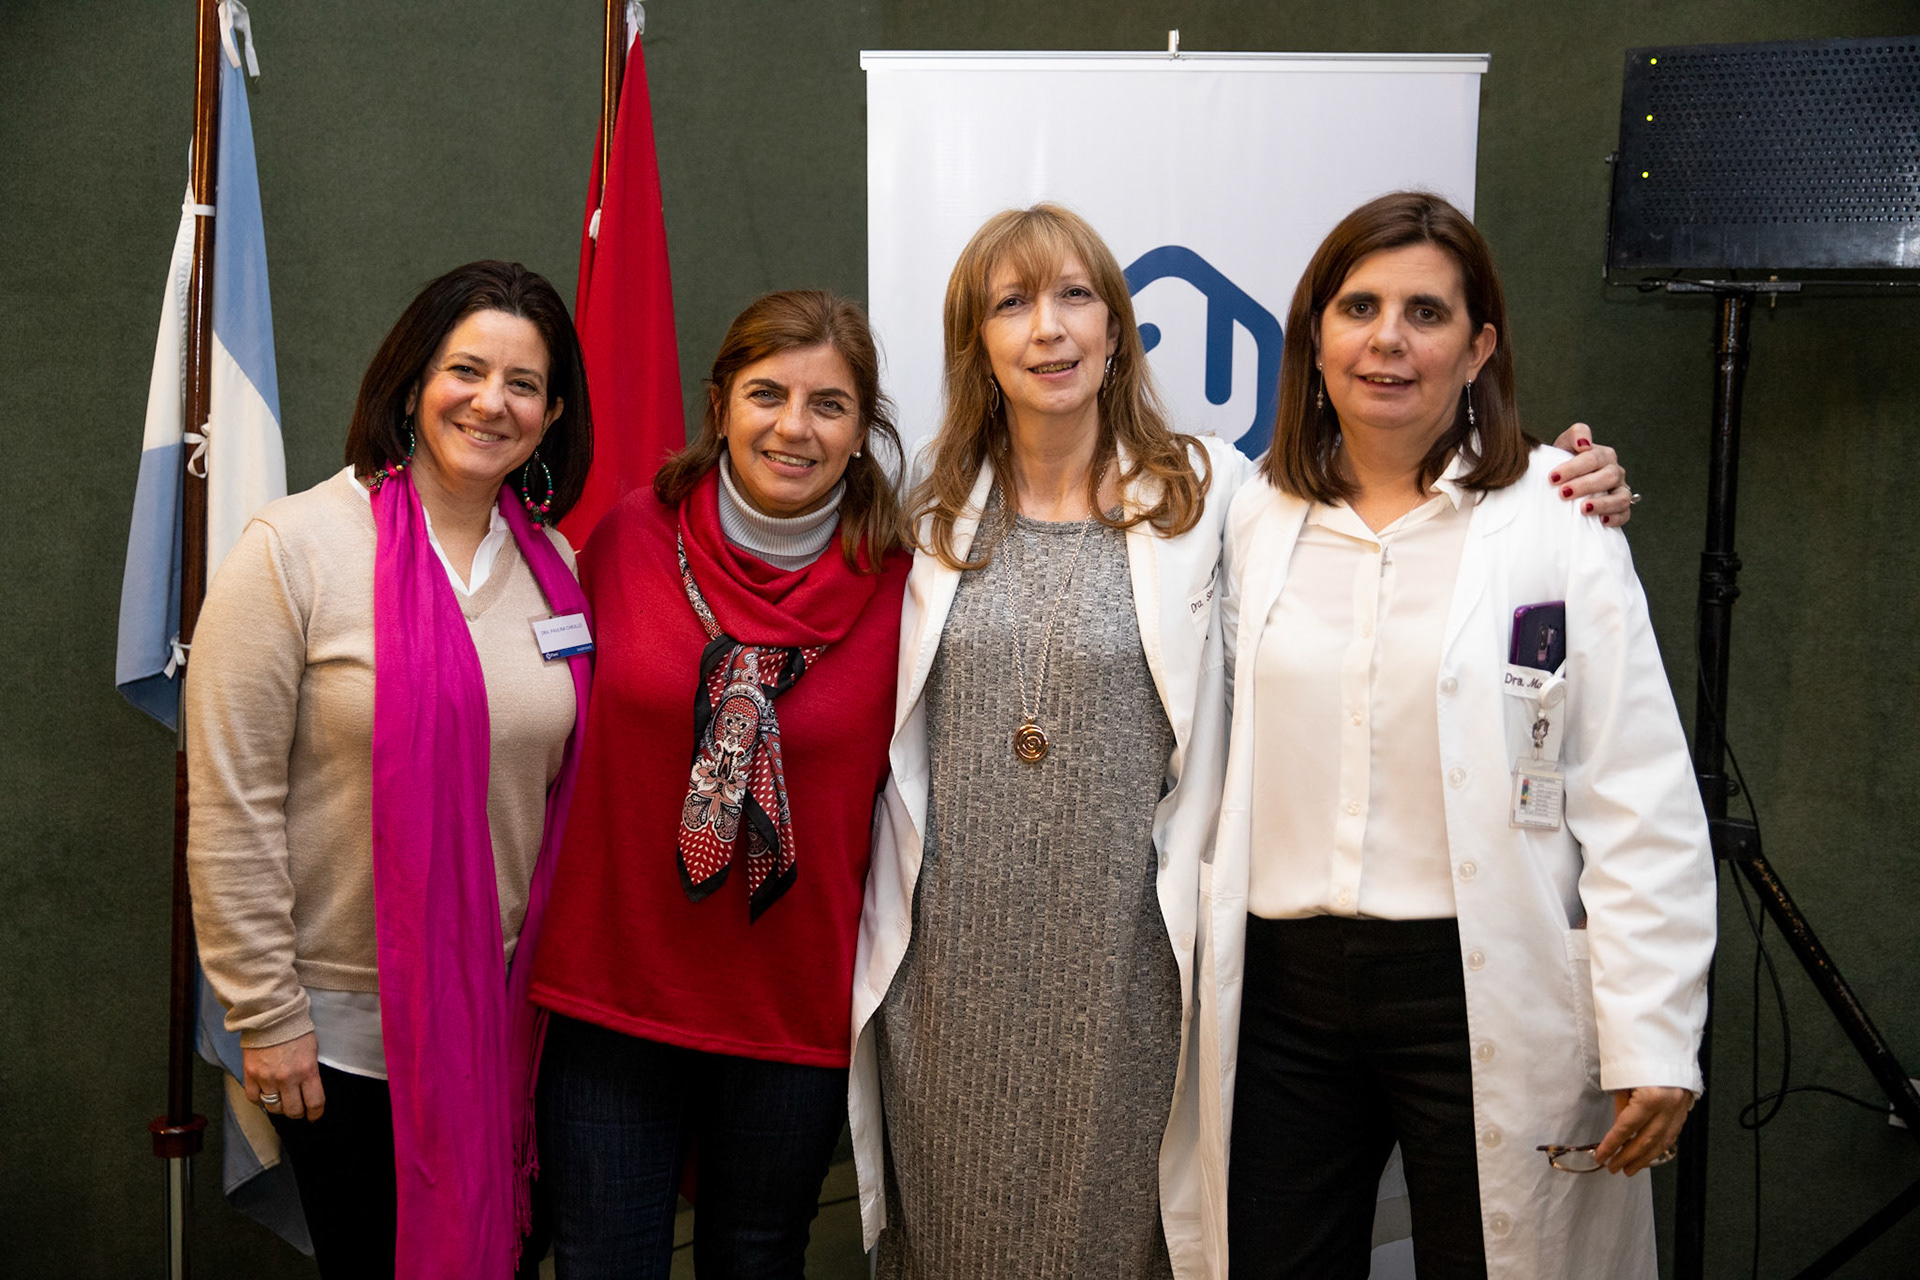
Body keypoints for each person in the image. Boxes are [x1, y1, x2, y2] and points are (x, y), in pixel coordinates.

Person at [850, 203, 1636, 1280]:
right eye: (1013, 302)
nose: (1049, 327)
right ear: (974, 341)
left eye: (1076, 295)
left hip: (1130, 969)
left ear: (1118, 326)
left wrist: (1566, 477)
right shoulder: (924, 514)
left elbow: (1393, 480)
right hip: (954, 967)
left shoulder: (1213, 492)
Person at [1204, 191, 1716, 1279]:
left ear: (1478, 347)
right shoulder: (1255, 514)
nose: (1388, 339)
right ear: (1315, 337)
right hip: (1285, 1002)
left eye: (1425, 313)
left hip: (1476, 980)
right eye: (1359, 307)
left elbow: (1636, 791)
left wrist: (1655, 1034)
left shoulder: (1561, 518)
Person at [186, 260, 595, 1279]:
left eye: (525, 384)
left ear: (551, 416)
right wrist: (266, 1016)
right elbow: (231, 802)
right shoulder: (295, 548)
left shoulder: (557, 569)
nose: (492, 402)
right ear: (412, 382)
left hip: (510, 1028)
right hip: (338, 1039)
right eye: (467, 370)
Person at [528, 290, 912, 1278]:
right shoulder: (629, 539)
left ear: (862, 429)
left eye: (829, 404)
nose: (794, 426)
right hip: (612, 994)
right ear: (721, 405)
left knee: (757, 1260)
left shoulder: (905, 587)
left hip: (792, 1009)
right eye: (767, 394)